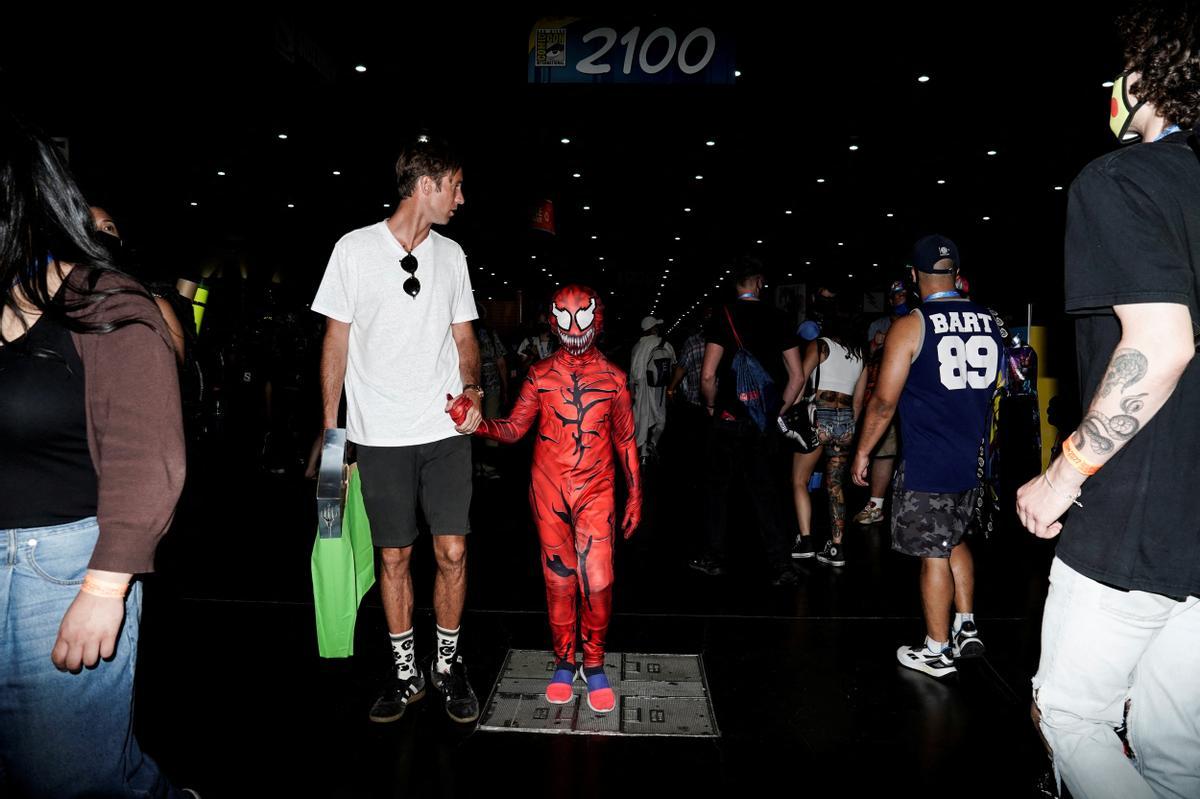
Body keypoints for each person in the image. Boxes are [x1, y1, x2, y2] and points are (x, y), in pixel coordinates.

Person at [1016, 5, 1200, 796]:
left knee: (1071, 714)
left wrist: (1062, 474)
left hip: (1133, 516)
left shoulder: (1120, 178)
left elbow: (1160, 344)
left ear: (1141, 81)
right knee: (1175, 751)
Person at [0, 116, 191, 797]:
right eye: (94, 227)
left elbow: (157, 411)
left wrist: (105, 583)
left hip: (56, 559)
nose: (101, 237)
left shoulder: (112, 295)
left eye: (110, 231)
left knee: (70, 774)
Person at [313, 133, 481, 725]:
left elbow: (465, 339)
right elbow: (335, 339)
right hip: (377, 433)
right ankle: (405, 671)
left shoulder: (453, 256)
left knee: (453, 550)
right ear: (427, 184)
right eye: (456, 186)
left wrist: (473, 390)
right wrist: (332, 430)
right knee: (393, 558)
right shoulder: (353, 251)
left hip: (443, 429)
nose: (461, 197)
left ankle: (448, 664)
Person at [449, 284, 641, 713]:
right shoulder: (540, 375)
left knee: (599, 580)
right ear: (553, 324)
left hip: (598, 487)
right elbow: (515, 429)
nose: (576, 329)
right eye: (566, 318)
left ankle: (592, 663)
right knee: (559, 580)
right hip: (549, 489)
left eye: (585, 317)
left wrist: (635, 495)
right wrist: (477, 424)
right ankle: (562, 661)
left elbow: (626, 438)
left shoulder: (613, 378)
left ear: (600, 320)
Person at [852, 235, 1002, 678]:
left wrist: (863, 451)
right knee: (955, 538)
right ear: (955, 273)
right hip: (972, 458)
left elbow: (883, 402)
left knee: (933, 553)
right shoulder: (990, 320)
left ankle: (936, 650)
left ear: (914, 277)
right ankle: (966, 623)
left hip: (928, 462)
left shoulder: (913, 324)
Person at [689, 256, 805, 586]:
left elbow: (708, 374)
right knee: (767, 493)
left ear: (736, 284)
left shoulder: (722, 317)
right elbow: (796, 377)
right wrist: (777, 411)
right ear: (758, 283)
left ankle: (714, 557)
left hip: (727, 417)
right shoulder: (780, 318)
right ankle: (781, 564)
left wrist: (711, 406)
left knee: (717, 491)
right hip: (762, 422)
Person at [790, 311, 867, 566]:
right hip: (845, 420)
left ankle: (806, 541)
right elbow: (858, 402)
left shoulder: (820, 345)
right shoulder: (860, 356)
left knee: (800, 480)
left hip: (818, 417)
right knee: (835, 486)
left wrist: (791, 408)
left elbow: (800, 379)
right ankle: (836, 549)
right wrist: (847, 428)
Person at [853, 280, 909, 524]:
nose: (901, 298)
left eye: (904, 294)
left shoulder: (918, 321)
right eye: (896, 295)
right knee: (884, 451)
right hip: (885, 393)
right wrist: (876, 344)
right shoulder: (879, 325)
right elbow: (866, 362)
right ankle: (876, 505)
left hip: (914, 398)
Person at [629, 315, 675, 464]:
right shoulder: (664, 344)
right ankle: (652, 444)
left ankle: (642, 453)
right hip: (658, 388)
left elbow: (632, 374)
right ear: (653, 329)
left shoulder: (637, 346)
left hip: (641, 389)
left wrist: (632, 392)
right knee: (660, 419)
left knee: (643, 419)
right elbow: (673, 365)